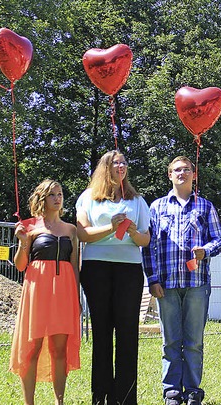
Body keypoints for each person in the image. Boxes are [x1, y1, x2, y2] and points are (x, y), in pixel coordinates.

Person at [142, 156, 221, 405]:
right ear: (169, 175)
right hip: (165, 284)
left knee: (194, 341)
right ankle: (171, 391)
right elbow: (148, 248)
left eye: (186, 170)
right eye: (177, 170)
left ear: (194, 174)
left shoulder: (205, 206)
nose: (182, 173)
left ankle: (192, 390)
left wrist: (205, 251)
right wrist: (152, 279)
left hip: (197, 283)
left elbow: (219, 239)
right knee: (170, 341)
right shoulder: (156, 207)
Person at [76, 150, 151, 405]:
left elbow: (145, 239)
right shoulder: (88, 198)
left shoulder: (137, 200)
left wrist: (131, 231)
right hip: (96, 268)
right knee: (102, 334)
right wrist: (111, 226)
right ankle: (101, 397)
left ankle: (127, 399)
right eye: (115, 162)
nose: (121, 166)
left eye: (124, 162)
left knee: (128, 334)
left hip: (129, 270)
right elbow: (83, 234)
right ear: (105, 168)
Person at [10, 179, 80, 405]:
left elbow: (74, 265)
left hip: (64, 292)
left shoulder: (71, 230)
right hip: (37, 291)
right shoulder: (30, 227)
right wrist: (22, 243)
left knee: (59, 350)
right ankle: (29, 402)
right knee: (32, 347)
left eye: (60, 194)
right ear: (43, 198)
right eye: (52, 195)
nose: (58, 198)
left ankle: (60, 401)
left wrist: (77, 298)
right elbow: (21, 265)